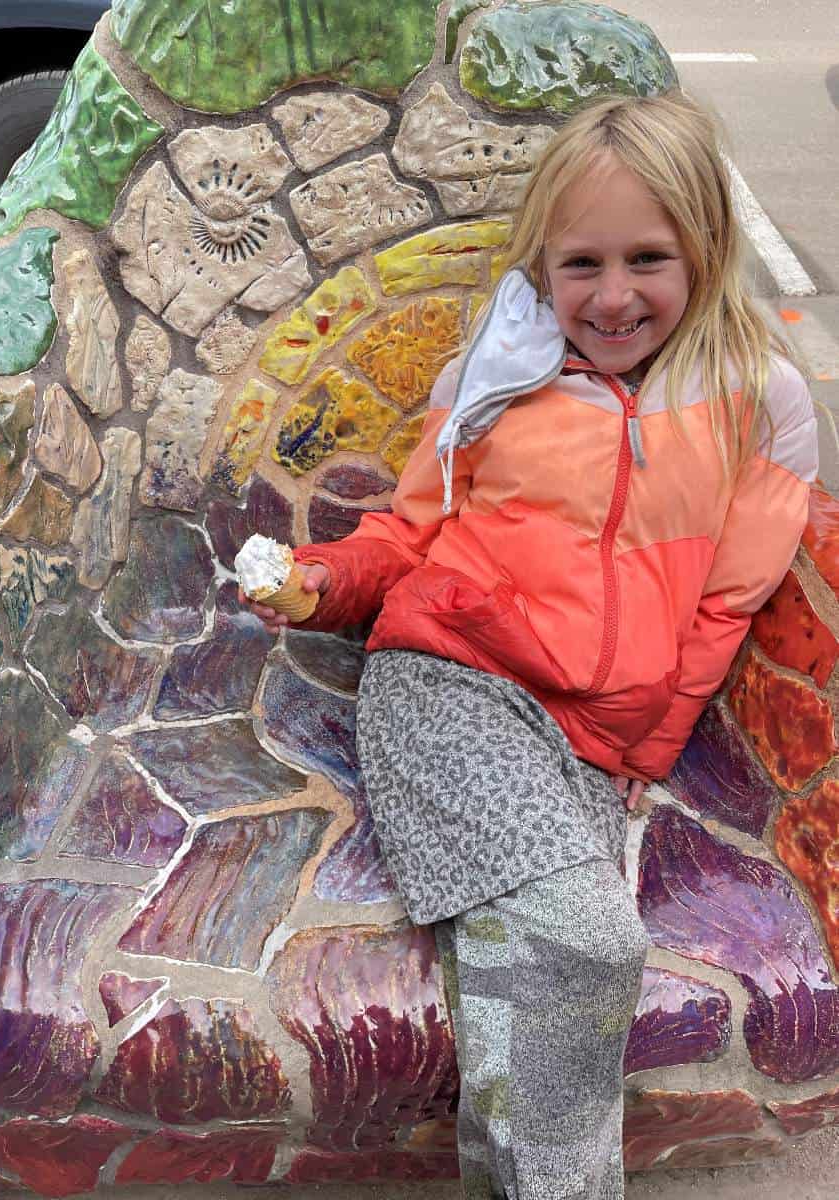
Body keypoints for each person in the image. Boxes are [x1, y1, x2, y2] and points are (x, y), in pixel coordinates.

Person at [242, 91, 818, 1200]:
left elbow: (727, 603)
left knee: (531, 966)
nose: (611, 297)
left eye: (648, 258)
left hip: (584, 739)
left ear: (705, 245)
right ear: (541, 266)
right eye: (580, 264)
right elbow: (406, 535)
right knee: (592, 941)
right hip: (448, 691)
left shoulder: (760, 402)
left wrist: (638, 752)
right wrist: (321, 588)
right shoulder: (493, 383)